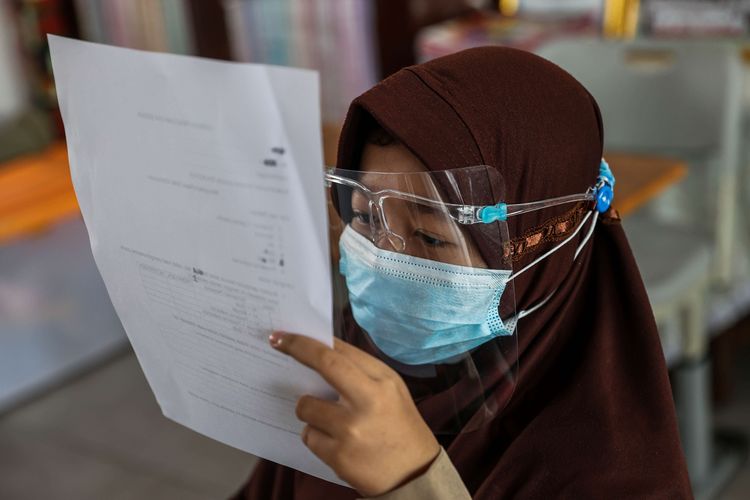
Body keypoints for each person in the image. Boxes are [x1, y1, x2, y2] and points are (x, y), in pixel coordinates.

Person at [231, 47, 691, 499]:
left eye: (430, 238)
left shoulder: (610, 473)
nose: (384, 258)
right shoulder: (348, 369)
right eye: (366, 219)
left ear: (544, 246)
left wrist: (415, 483)